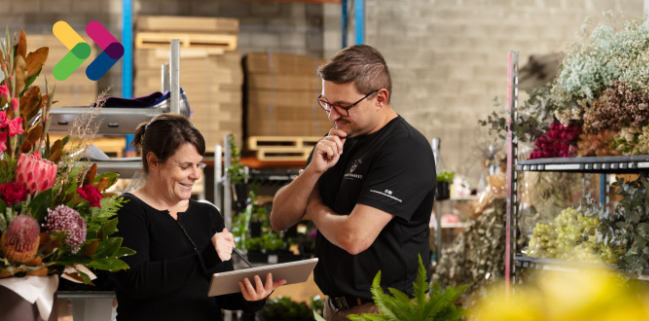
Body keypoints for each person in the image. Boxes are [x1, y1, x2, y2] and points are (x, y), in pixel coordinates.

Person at [269, 45, 436, 321]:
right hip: (336, 307)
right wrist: (311, 172)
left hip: (387, 310)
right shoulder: (337, 139)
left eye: (344, 106)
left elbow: (354, 237)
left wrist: (315, 207)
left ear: (380, 98)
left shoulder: (405, 149)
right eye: (326, 103)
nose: (333, 115)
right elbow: (279, 219)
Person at [112, 114, 285, 321]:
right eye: (185, 166)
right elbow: (137, 282)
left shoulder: (208, 215)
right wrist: (206, 258)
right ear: (153, 161)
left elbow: (223, 296)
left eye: (198, 165)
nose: (196, 175)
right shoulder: (128, 210)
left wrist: (252, 298)